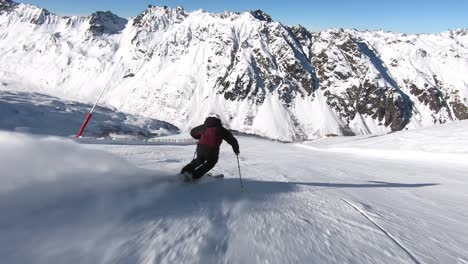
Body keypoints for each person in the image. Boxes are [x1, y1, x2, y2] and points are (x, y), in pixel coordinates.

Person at [181, 115, 240, 181]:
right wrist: (236, 150)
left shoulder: (203, 127)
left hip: (201, 147)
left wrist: (199, 137)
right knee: (211, 162)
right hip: (212, 149)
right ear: (219, 123)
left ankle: (185, 172)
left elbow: (192, 132)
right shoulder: (221, 129)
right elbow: (232, 140)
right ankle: (194, 176)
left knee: (199, 160)